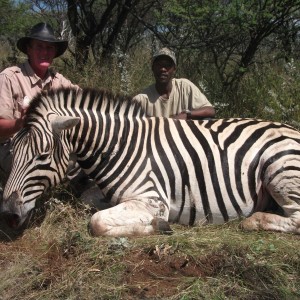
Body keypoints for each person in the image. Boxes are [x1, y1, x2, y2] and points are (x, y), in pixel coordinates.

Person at [0, 23, 103, 207]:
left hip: (50, 149)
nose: (45, 52)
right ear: (28, 49)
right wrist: (19, 123)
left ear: (54, 52)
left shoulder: (58, 81)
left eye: (49, 48)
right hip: (15, 149)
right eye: (39, 46)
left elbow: (88, 105)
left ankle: (79, 193)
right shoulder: (10, 77)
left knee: (88, 153)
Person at [133, 47, 215, 120]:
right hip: (159, 136)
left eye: (167, 65)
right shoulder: (142, 99)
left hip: (183, 135)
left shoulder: (185, 86)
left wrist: (187, 114)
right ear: (153, 68)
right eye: (159, 65)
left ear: (174, 69)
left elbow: (210, 110)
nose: (163, 69)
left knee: (207, 120)